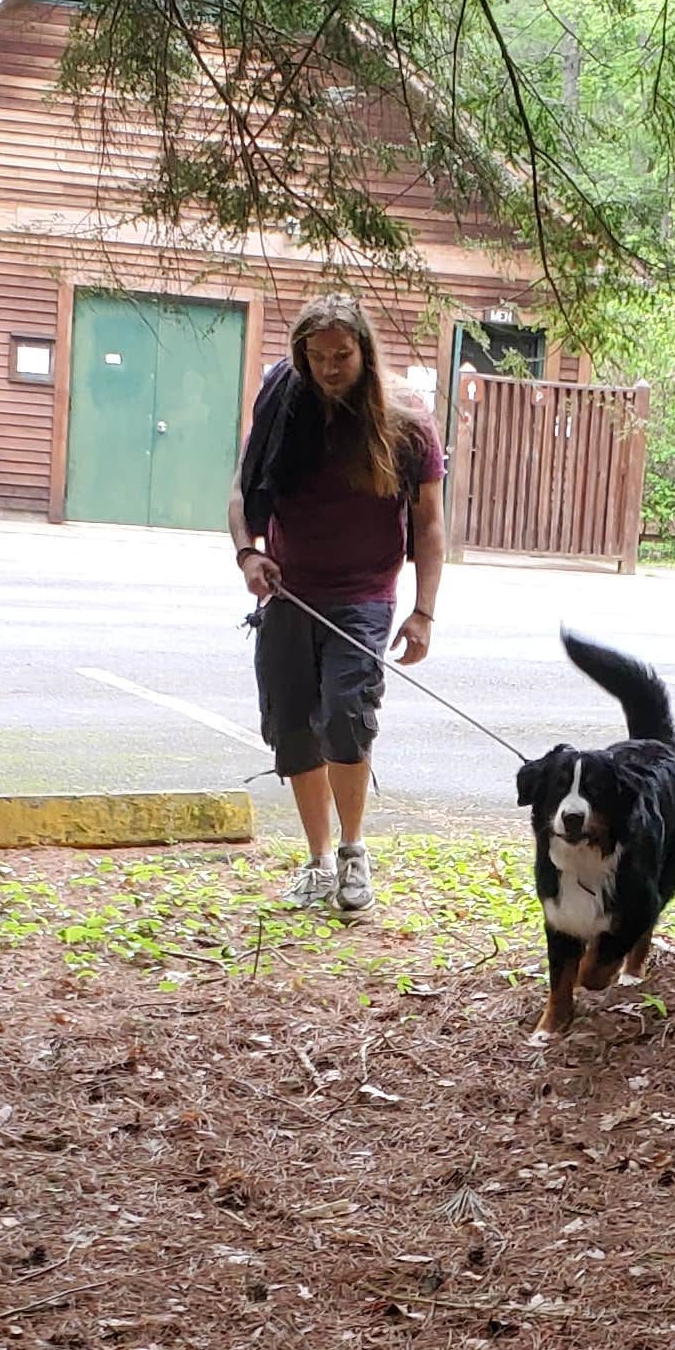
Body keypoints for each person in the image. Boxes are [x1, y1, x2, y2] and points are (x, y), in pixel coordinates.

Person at [228, 293, 446, 912]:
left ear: (364, 352)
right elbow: (242, 494)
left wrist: (424, 611)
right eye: (316, 356)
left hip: (363, 595)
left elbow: (429, 524)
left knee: (347, 716)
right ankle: (319, 861)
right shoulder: (281, 406)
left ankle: (354, 855)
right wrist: (249, 554)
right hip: (288, 591)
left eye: (341, 355)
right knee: (293, 727)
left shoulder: (405, 419)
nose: (328, 367)